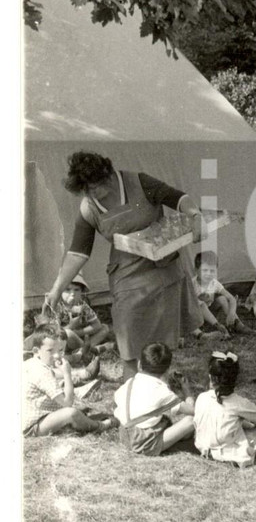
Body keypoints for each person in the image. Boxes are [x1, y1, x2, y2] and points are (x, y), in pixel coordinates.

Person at [44, 151, 204, 379]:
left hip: (163, 268)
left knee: (163, 339)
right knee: (128, 337)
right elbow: (78, 252)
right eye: (86, 190)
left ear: (107, 175)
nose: (91, 193)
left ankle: (160, 383)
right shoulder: (88, 207)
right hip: (127, 275)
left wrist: (195, 215)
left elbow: (178, 198)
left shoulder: (139, 181)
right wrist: (56, 289)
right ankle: (130, 385)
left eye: (95, 187)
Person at [194, 351, 256, 468]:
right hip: (229, 454)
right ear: (234, 379)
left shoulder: (201, 397)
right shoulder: (238, 403)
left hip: (203, 448)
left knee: (240, 424)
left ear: (210, 377)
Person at [22, 323, 117, 437]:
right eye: (50, 350)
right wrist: (67, 373)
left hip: (26, 420)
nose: (56, 355)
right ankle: (100, 426)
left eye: (60, 350)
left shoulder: (31, 363)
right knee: (71, 413)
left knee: (73, 410)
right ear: (36, 351)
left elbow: (52, 376)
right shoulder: (42, 373)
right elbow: (68, 403)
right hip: (33, 426)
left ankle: (83, 379)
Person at [112, 342, 196, 455]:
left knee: (161, 418)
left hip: (124, 434)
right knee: (191, 421)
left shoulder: (129, 383)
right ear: (167, 370)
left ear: (139, 364)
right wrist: (186, 390)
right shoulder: (162, 392)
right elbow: (192, 411)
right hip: (143, 443)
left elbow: (117, 401)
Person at [192, 251, 251, 339]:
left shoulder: (214, 283)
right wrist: (217, 324)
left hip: (209, 313)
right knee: (201, 303)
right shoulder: (192, 284)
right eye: (205, 270)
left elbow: (231, 299)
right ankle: (217, 326)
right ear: (196, 270)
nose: (208, 274)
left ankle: (237, 323)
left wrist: (231, 313)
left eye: (212, 271)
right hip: (196, 315)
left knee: (222, 298)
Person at [53, 274, 114, 358]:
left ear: (81, 292)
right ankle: (90, 350)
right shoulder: (56, 306)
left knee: (105, 328)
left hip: (80, 337)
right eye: (67, 289)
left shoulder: (82, 305)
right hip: (64, 340)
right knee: (68, 333)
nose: (72, 293)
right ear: (60, 291)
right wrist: (71, 325)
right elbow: (54, 333)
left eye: (77, 290)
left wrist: (79, 332)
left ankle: (83, 350)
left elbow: (97, 325)